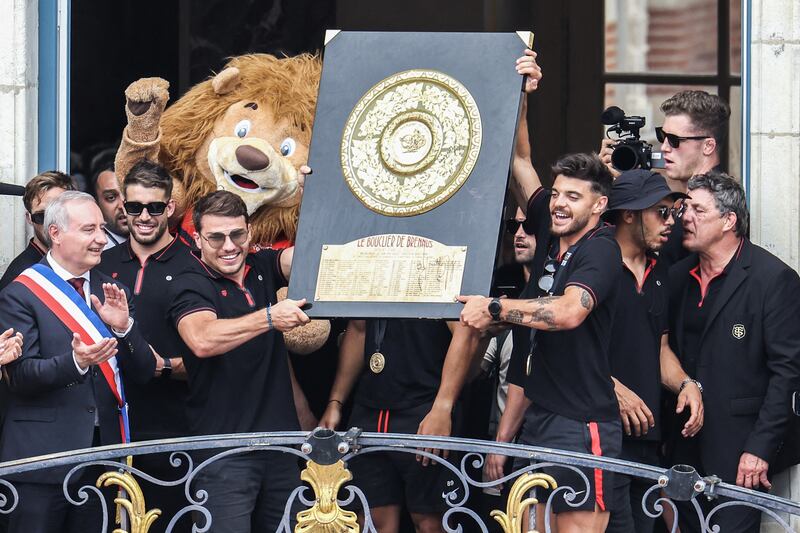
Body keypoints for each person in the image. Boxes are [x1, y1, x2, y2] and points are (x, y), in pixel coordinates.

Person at [459, 153, 621, 533]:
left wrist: (496, 308)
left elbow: (567, 312)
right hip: (538, 420)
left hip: (582, 425)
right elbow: (518, 157)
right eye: (557, 194)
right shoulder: (552, 241)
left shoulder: (600, 249)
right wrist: (522, 92)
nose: (560, 203)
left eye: (574, 196)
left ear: (599, 205)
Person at [0, 191, 155, 532]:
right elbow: (20, 376)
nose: (102, 238)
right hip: (42, 460)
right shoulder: (20, 292)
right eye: (89, 230)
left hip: (103, 457)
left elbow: (144, 372)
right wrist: (75, 362)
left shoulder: (111, 290)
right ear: (55, 234)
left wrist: (125, 328)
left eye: (101, 228)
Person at [168, 190, 309, 533]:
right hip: (224, 454)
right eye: (216, 237)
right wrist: (270, 318)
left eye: (237, 234)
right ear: (197, 238)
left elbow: (313, 258)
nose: (229, 246)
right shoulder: (189, 282)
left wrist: (315, 202)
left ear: (249, 231)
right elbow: (202, 339)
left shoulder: (260, 265)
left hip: (281, 447)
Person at [667, 171, 800, 533]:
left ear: (729, 220)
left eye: (698, 209)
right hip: (680, 446)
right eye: (685, 208)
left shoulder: (773, 280)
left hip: (740, 450)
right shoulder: (678, 277)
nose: (686, 217)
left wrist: (759, 449)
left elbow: (788, 373)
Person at [602, 169, 703, 533]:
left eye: (672, 213)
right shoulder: (597, 265)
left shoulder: (661, 273)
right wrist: (614, 389)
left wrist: (686, 384)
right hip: (601, 435)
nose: (670, 223)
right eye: (661, 212)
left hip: (647, 439)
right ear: (629, 214)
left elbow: (659, 348)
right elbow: (567, 350)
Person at [97, 159, 194, 532]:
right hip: (112, 426)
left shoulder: (195, 263)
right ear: (123, 206)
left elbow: (216, 354)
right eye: (134, 207)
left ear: (169, 207)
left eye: (155, 207)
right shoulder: (101, 264)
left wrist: (166, 365)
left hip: (179, 429)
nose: (144, 216)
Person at [319, 317, 479, 533]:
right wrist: (335, 401)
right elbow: (358, 329)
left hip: (426, 409)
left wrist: (442, 407)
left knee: (431, 523)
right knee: (370, 521)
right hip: (369, 411)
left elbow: (465, 331)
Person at [600, 90, 731, 266]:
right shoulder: (688, 201)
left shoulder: (714, 206)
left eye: (674, 140)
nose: (664, 147)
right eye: (662, 136)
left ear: (708, 146)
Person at [0, 171, 74, 290]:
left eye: (59, 213)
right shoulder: (20, 276)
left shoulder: (86, 260)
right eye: (42, 216)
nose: (52, 224)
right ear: (29, 218)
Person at [89, 149, 129, 248]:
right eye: (111, 197)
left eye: (128, 194)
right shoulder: (93, 251)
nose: (122, 205)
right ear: (96, 203)